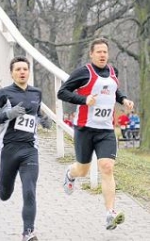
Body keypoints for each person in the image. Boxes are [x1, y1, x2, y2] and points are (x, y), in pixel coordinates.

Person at [57, 37, 134, 230]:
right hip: (85, 129)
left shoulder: (112, 71)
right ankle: (70, 173)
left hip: (106, 130)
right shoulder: (84, 72)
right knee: (82, 169)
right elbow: (62, 92)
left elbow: (114, 91)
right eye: (98, 52)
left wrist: (124, 100)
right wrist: (84, 100)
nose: (102, 55)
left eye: (105, 52)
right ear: (91, 54)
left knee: (107, 167)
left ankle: (110, 213)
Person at [0, 56, 51, 241]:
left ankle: (28, 231)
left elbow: (36, 114)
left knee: (29, 190)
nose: (22, 72)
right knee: (5, 195)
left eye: (25, 69)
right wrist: (8, 114)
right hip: (8, 148)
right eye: (18, 69)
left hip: (30, 148)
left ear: (29, 72)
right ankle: (0, 180)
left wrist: (44, 120)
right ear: (12, 73)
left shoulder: (36, 93)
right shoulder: (4, 93)